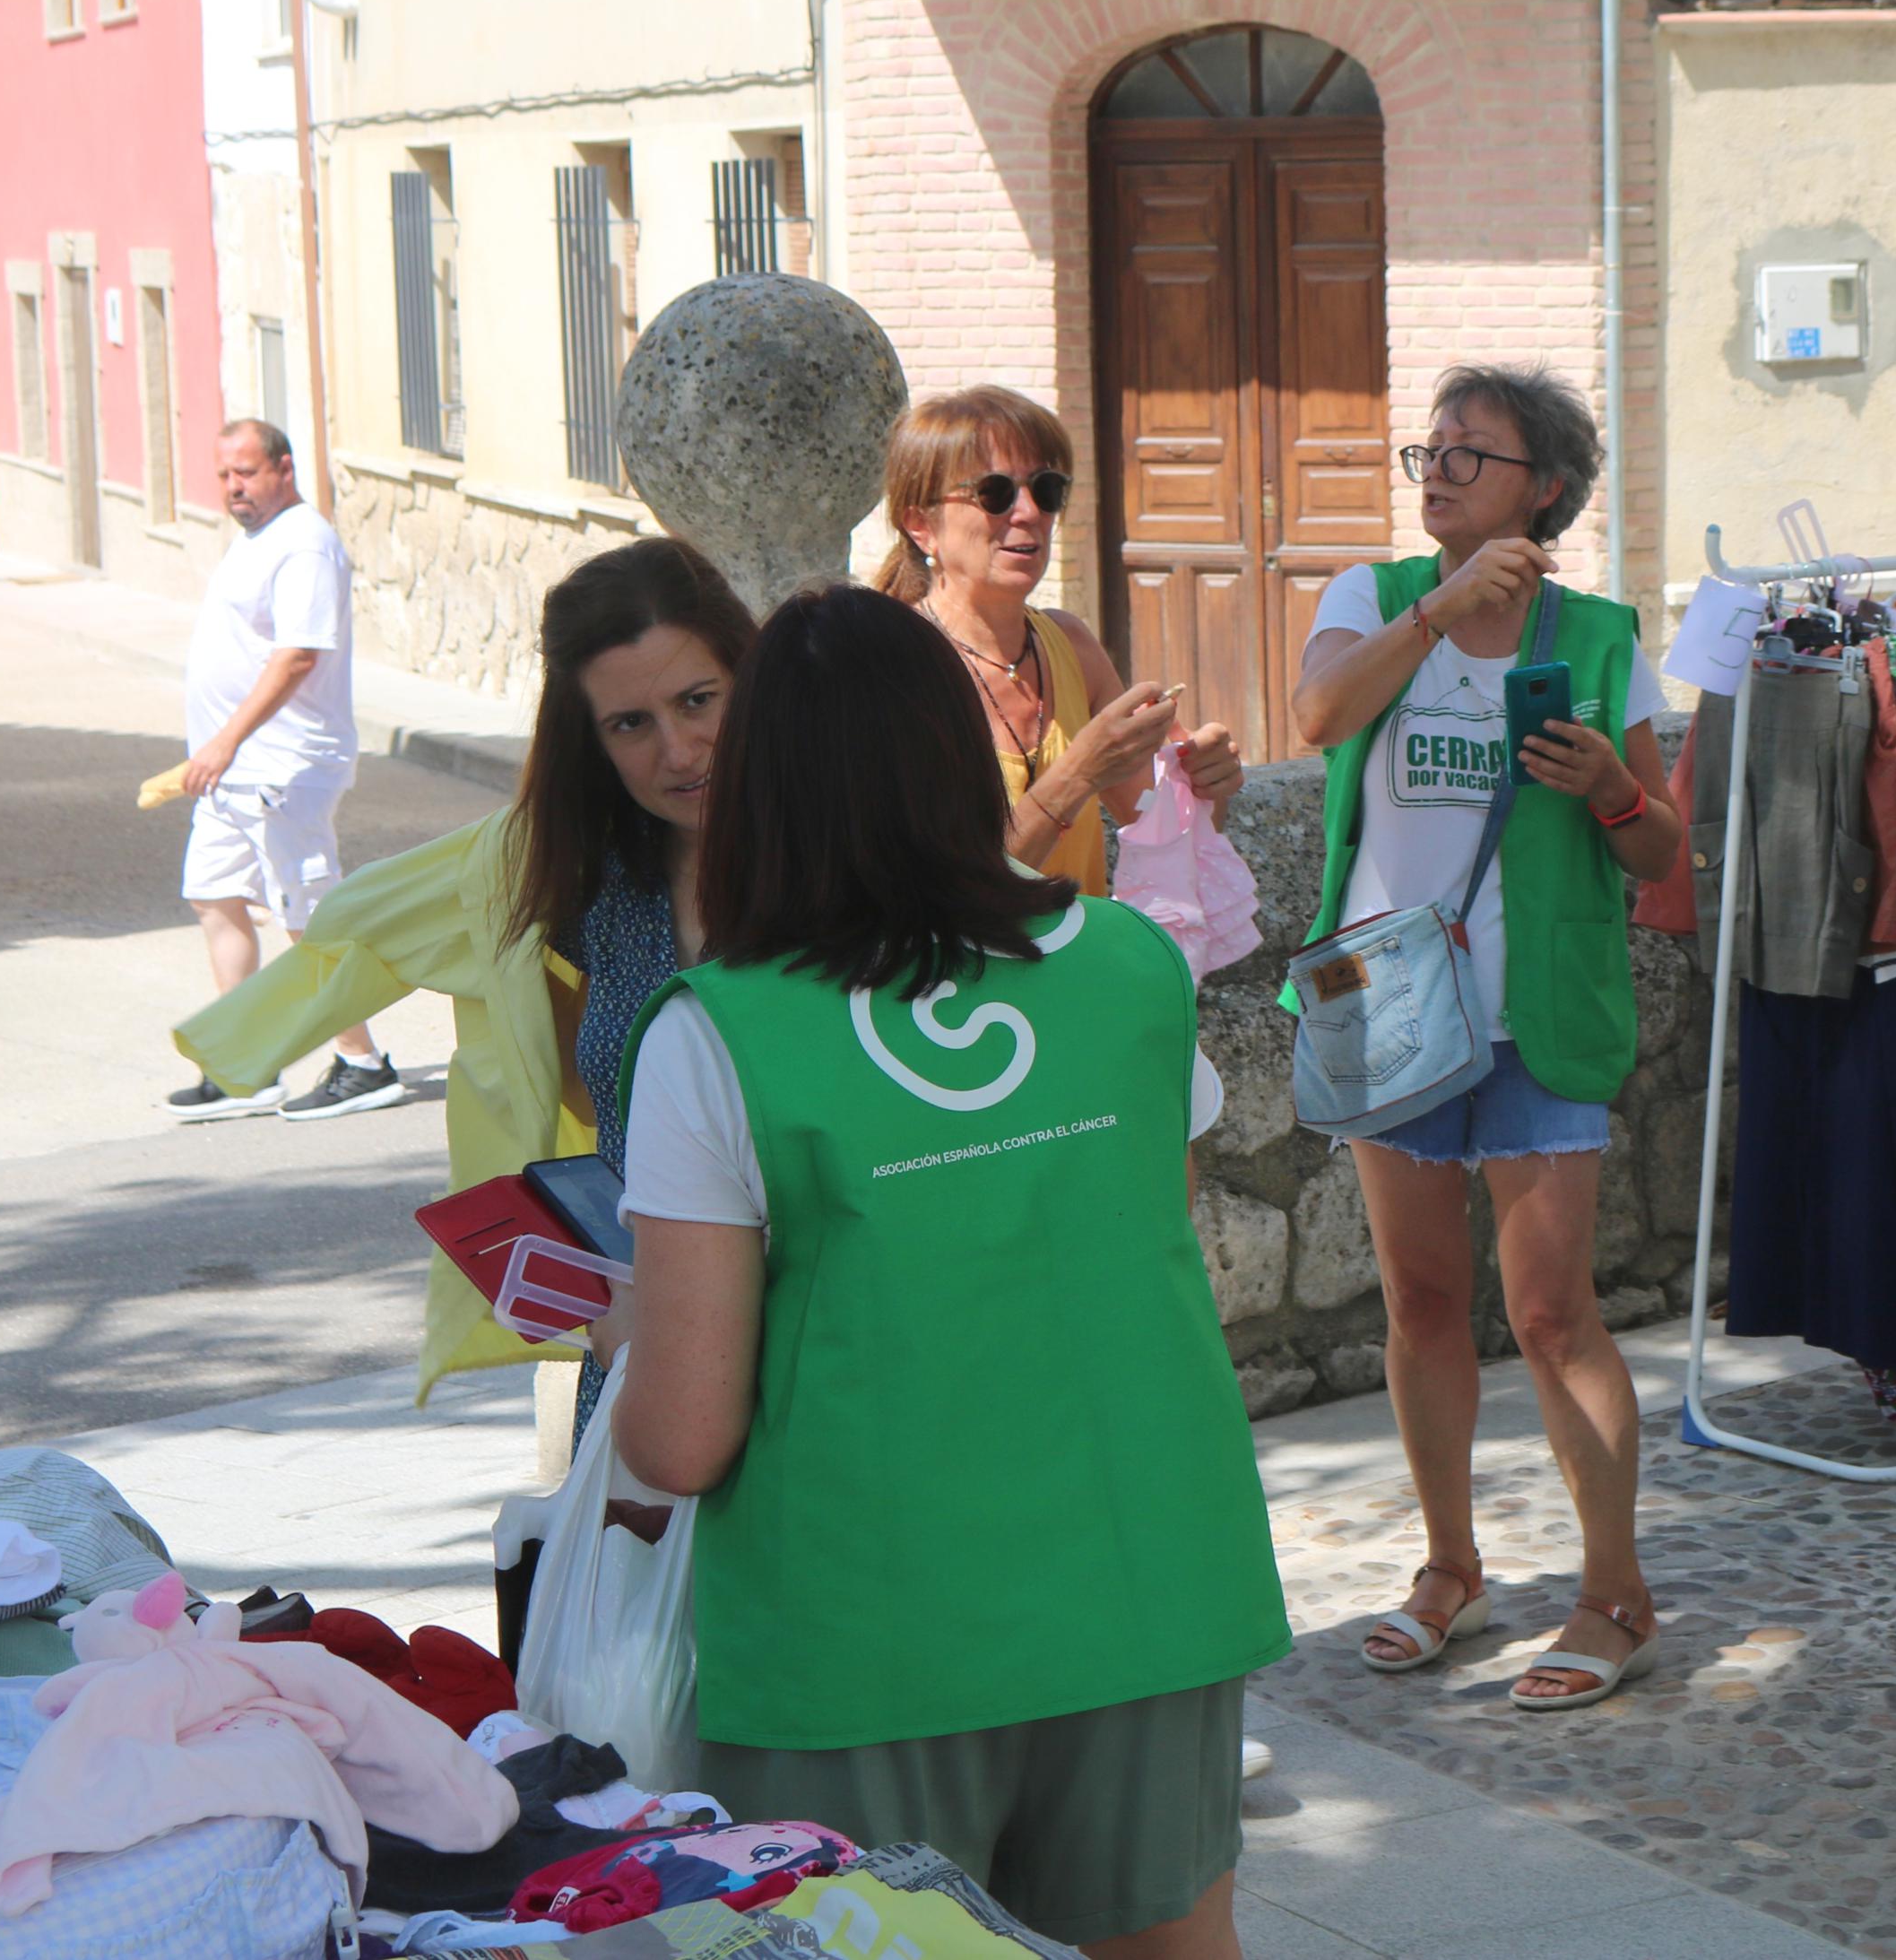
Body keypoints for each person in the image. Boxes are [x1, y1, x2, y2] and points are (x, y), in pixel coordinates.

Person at [614, 585, 1285, 1960]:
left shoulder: (720, 1029)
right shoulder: (1128, 964)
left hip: (862, 1629)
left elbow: (682, 1438)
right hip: (1149, 1576)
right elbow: (1142, 1249)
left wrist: (630, 1331)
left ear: (758, 789)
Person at [1288, 363, 1680, 1713]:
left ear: (1546, 488)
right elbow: (1319, 716)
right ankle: (1448, 1565)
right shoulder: (1370, 598)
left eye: (1472, 452)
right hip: (1379, 1002)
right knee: (1421, 1302)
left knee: (1552, 1309)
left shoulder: (1599, 632)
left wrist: (1614, 787)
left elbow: (1661, 848)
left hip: (1535, 1011)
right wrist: (1443, 613)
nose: (1439, 468)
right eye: (1430, 449)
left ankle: (1612, 1591)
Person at [177, 536, 757, 1405]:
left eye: (698, 700)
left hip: (829, 1355)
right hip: (647, 1355)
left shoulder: (853, 870)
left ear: (754, 682)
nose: (678, 750)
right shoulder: (578, 879)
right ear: (588, 741)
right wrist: (247, 1036)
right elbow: (365, 922)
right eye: (630, 724)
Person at [876, 386, 1239, 889]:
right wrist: (1078, 774)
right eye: (995, 492)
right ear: (921, 525)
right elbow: (948, 893)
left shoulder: (1069, 642)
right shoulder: (890, 670)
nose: (1028, 512)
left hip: (1074, 966)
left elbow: (1165, 837)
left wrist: (1204, 783)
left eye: (1046, 489)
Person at [166, 421, 399, 1120]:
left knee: (307, 915)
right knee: (214, 895)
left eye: (246, 472)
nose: (234, 487)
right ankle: (246, 1063)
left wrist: (225, 741)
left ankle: (364, 1061)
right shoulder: (257, 540)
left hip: (283, 766)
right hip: (233, 771)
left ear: (284, 467)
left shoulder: (304, 543)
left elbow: (298, 655)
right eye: (224, 475)